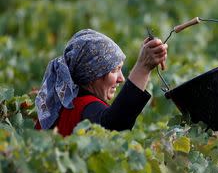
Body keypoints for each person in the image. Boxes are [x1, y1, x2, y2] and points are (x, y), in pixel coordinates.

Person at [35, 29, 168, 136]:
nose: (121, 78)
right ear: (94, 74)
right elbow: (115, 126)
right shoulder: (87, 107)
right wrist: (143, 68)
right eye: (115, 70)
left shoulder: (53, 108)